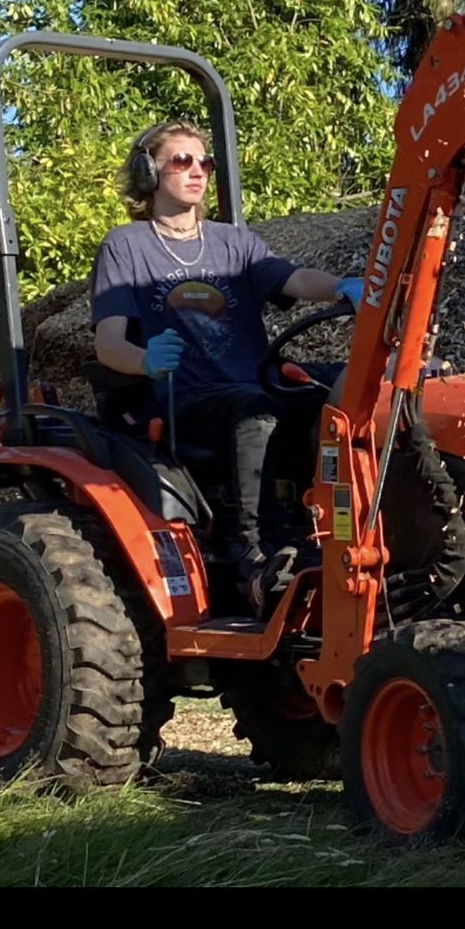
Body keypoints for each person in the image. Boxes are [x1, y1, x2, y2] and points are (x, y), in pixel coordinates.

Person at [90, 118, 364, 613]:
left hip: (250, 378)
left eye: (205, 162)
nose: (197, 171)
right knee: (257, 405)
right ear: (148, 171)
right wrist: (146, 360)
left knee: (356, 382)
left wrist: (342, 284)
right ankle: (254, 551)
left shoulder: (232, 243)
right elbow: (109, 343)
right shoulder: (126, 246)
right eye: (182, 160)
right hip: (183, 397)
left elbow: (293, 278)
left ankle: (349, 523)